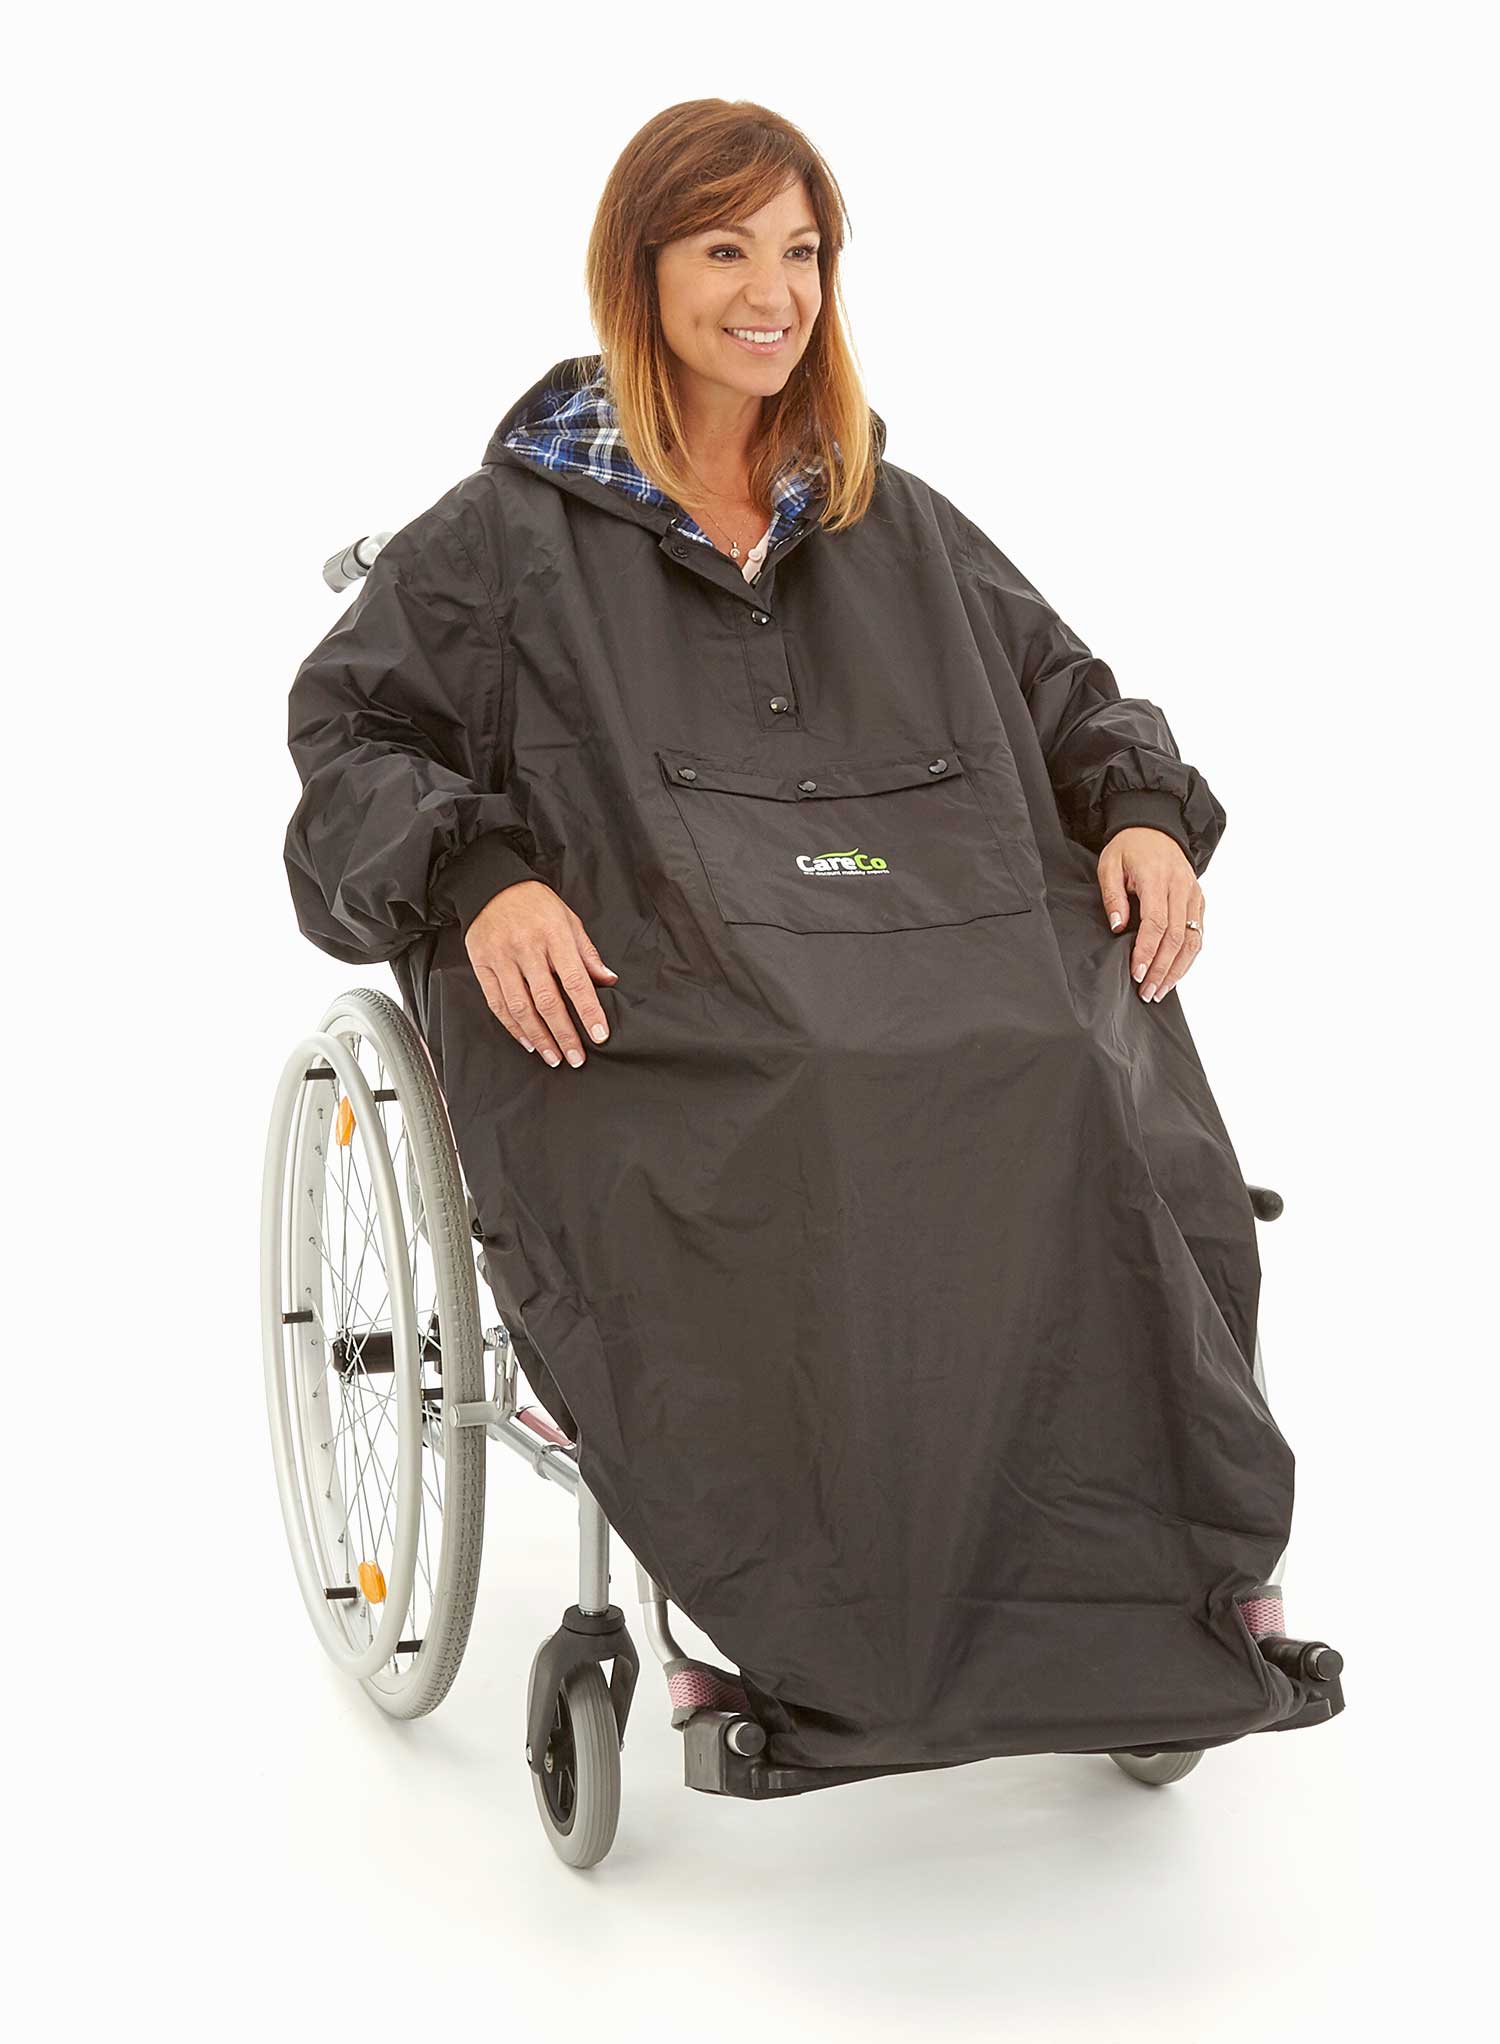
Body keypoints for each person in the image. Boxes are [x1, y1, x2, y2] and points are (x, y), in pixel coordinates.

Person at [283, 100, 1299, 1773]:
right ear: (640, 268)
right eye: (725, 249)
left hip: (936, 937)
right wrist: (481, 878)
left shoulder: (887, 515)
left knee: (1063, 1059)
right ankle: (799, 1618)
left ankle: (1148, 1601)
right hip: (657, 972)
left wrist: (1136, 809)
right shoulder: (508, 537)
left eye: (803, 252)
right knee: (815, 1086)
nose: (773, 293)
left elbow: (1071, 693)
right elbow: (351, 741)